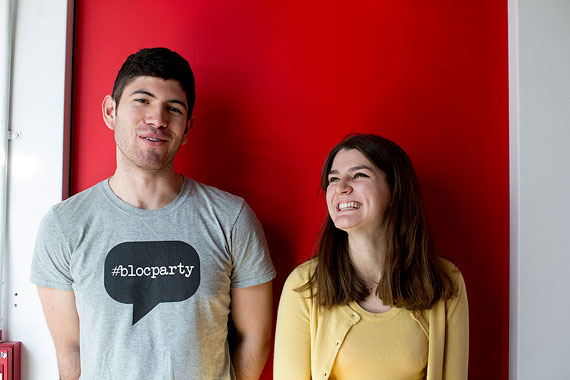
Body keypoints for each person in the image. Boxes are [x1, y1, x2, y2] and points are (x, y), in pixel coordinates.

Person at [31, 47, 275, 380]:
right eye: (142, 100)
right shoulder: (63, 226)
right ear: (110, 111)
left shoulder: (231, 218)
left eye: (173, 108)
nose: (157, 119)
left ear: (187, 128)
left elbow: (255, 339)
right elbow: (71, 351)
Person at [274, 134, 468, 380]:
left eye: (359, 175)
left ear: (394, 189)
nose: (342, 187)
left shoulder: (446, 281)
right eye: (334, 179)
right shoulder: (303, 286)